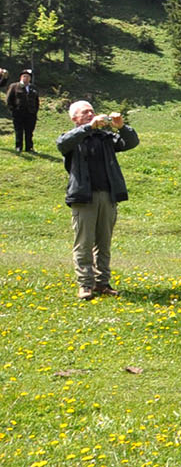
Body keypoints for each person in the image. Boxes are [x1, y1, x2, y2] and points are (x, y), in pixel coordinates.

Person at [57, 100, 138, 300]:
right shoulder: (72, 138)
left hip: (107, 195)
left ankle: (102, 283)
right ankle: (85, 284)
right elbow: (62, 144)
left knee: (104, 243)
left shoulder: (105, 137)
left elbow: (131, 142)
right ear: (74, 118)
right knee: (84, 243)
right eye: (85, 112)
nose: (90, 114)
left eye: (92, 111)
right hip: (83, 196)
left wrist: (122, 127)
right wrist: (88, 127)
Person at [7, 68, 40, 152]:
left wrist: (35, 111)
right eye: (24, 76)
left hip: (30, 113)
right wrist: (13, 110)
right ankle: (19, 147)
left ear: (30, 78)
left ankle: (29, 147)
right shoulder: (14, 86)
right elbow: (9, 100)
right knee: (19, 131)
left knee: (29, 131)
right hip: (18, 113)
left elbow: (36, 101)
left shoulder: (33, 87)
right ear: (21, 77)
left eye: (28, 77)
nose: (26, 78)